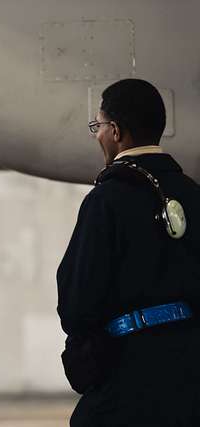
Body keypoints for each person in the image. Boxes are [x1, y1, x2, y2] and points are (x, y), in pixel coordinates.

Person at [57, 78, 200, 426]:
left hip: (129, 375)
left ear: (116, 131)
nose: (98, 135)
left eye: (99, 126)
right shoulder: (193, 193)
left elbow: (78, 301)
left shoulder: (106, 200)